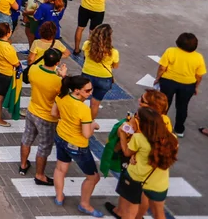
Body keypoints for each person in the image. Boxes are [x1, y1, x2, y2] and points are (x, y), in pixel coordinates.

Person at [113, 107, 179, 219]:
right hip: (159, 183)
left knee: (129, 211)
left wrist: (123, 134)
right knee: (159, 214)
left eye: (136, 116)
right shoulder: (172, 138)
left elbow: (127, 152)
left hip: (136, 178)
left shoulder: (139, 138)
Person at [52, 75, 102, 216]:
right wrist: (93, 125)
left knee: (60, 169)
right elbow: (86, 134)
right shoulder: (83, 109)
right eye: (87, 91)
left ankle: (59, 197)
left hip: (61, 136)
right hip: (77, 145)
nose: (91, 93)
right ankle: (84, 204)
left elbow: (54, 113)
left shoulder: (61, 97)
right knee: (93, 177)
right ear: (76, 90)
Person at [19, 47, 67, 185]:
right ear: (57, 63)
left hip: (32, 109)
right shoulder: (57, 81)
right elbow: (64, 95)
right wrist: (63, 76)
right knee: (44, 147)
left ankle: (23, 165)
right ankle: (40, 175)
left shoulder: (34, 70)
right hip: (47, 117)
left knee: (27, 139)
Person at [155, 32, 206, 137]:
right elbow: (199, 75)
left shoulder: (170, 51)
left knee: (164, 104)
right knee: (182, 106)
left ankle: (160, 125)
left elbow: (162, 68)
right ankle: (179, 129)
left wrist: (158, 78)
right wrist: (196, 87)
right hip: (188, 85)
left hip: (168, 82)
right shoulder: (198, 57)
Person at [81, 23, 119, 120]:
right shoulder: (113, 52)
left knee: (80, 99)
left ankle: (74, 119)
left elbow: (85, 57)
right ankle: (88, 123)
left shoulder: (87, 45)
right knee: (95, 104)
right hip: (104, 79)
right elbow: (115, 66)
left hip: (87, 75)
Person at [0, 22, 21, 127]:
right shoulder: (8, 48)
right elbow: (15, 63)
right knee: (0, 97)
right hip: (4, 73)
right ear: (7, 33)